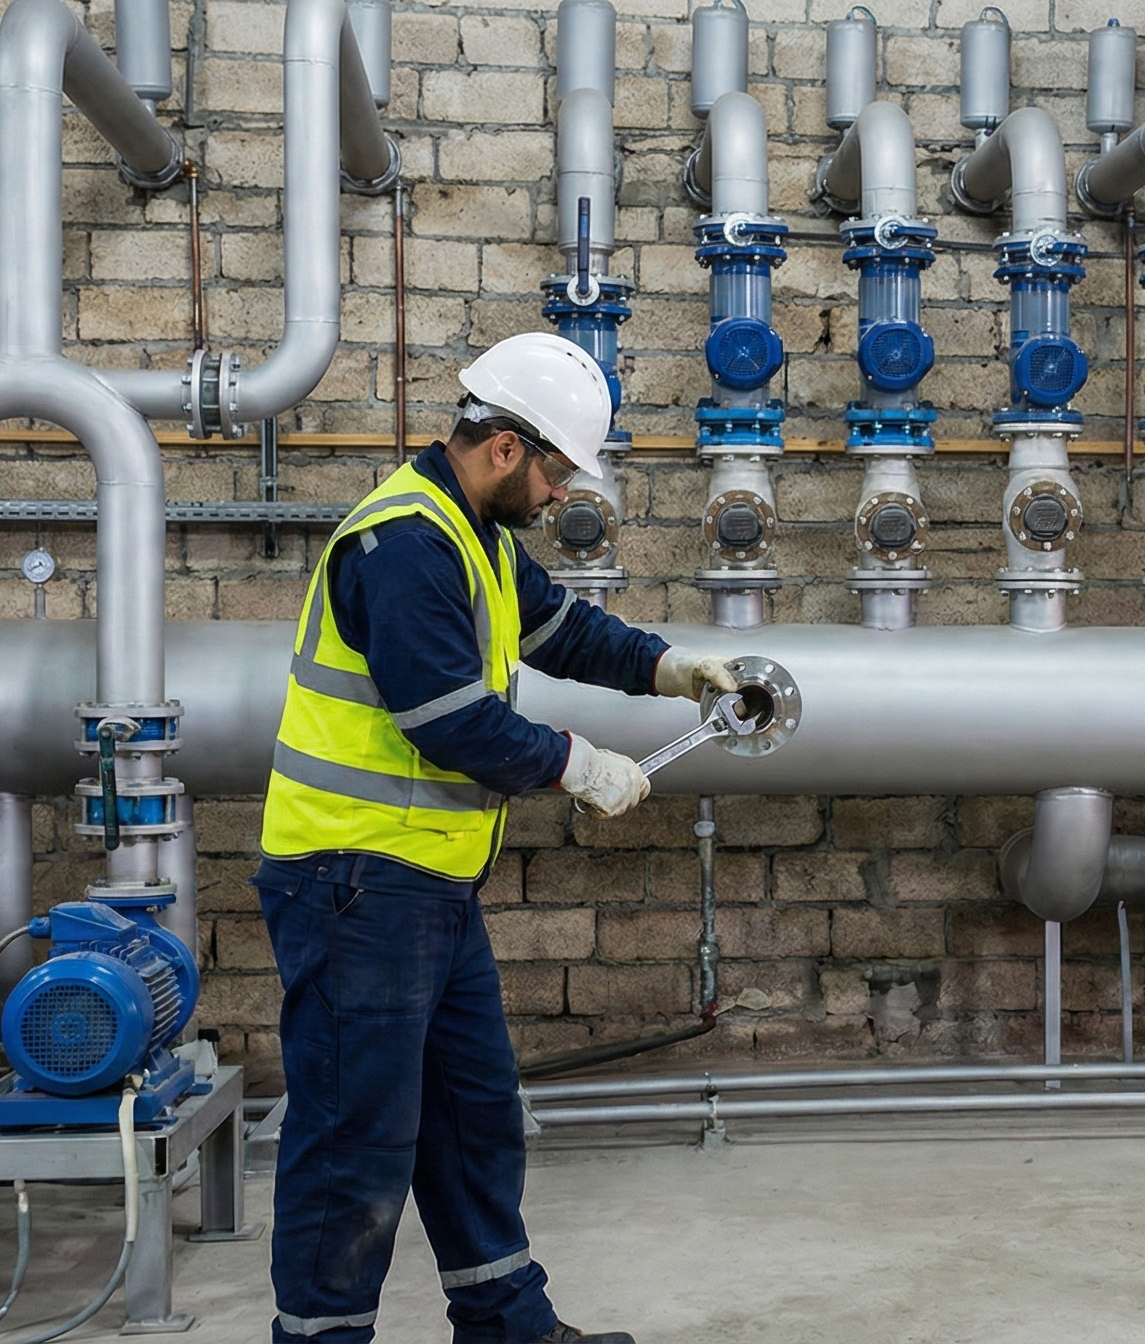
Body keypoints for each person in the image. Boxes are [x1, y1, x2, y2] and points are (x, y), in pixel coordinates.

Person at [256, 332, 742, 1343]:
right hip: (355, 884)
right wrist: (580, 764)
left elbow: (563, 632)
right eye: (560, 470)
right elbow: (447, 720)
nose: (565, 495)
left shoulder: (472, 532)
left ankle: (507, 1324)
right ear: (510, 449)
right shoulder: (406, 544)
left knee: (473, 1116)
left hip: (426, 885)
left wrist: (672, 671)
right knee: (356, 1142)